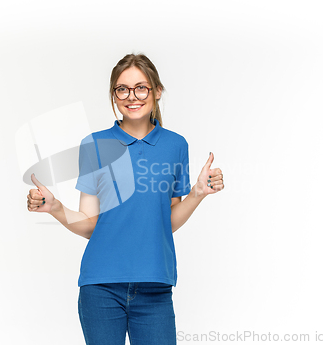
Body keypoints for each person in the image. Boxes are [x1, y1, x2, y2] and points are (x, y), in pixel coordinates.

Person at [26, 53, 224, 345]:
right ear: (114, 95)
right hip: (101, 287)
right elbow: (90, 223)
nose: (132, 96)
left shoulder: (175, 145)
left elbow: (166, 222)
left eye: (141, 87)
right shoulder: (94, 145)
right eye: (122, 89)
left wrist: (197, 194)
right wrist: (55, 207)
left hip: (155, 287)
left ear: (157, 91)